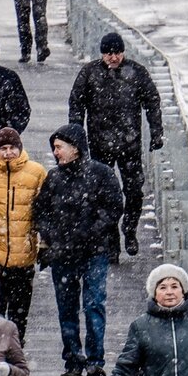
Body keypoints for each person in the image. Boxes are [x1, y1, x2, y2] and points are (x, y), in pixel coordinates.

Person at [36, 123, 125, 376]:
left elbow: (114, 207)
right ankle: (73, 360)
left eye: (59, 147)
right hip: (63, 253)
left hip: (93, 251)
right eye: (54, 148)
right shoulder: (54, 178)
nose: (56, 153)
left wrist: (92, 231)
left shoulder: (101, 173)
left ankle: (95, 361)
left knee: (93, 304)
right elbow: (41, 211)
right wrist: (52, 235)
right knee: (67, 308)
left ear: (75, 148)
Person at [69, 33, 165, 256]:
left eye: (117, 53)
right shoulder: (90, 73)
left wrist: (156, 132)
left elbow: (152, 102)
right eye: (108, 53)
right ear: (102, 54)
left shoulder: (136, 72)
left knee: (134, 191)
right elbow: (76, 104)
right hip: (99, 144)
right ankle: (110, 241)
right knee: (103, 195)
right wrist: (76, 137)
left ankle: (129, 229)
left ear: (123, 52)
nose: (113, 58)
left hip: (129, 144)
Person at [0, 126, 47, 331]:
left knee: (19, 316)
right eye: (3, 148)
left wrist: (44, 242)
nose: (8, 153)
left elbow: (45, 211)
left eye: (12, 148)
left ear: (20, 148)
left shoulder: (36, 172)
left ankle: (16, 347)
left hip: (23, 257)